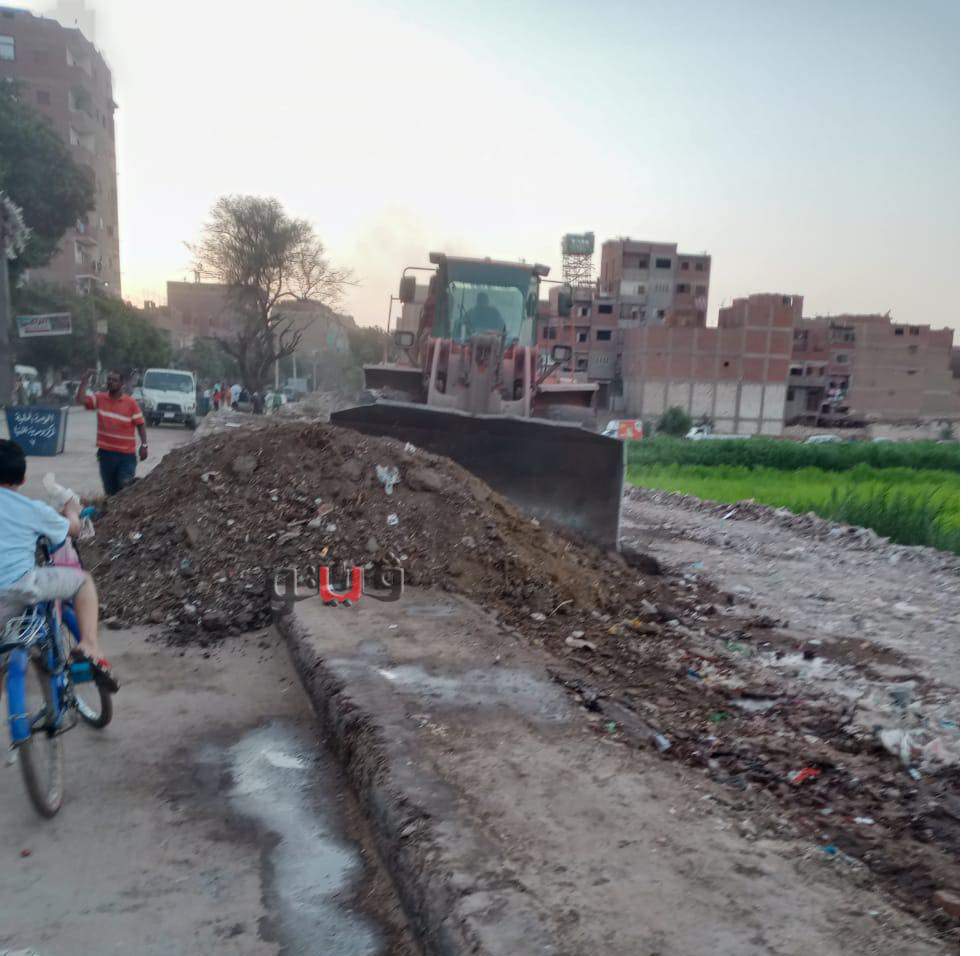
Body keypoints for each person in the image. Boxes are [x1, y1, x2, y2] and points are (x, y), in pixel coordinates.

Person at [0, 440, 118, 691]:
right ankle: (89, 645)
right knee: (83, 582)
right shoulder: (32, 509)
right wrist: (71, 510)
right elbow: (73, 529)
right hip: (20, 585)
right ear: (23, 479)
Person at [76, 369, 148, 497]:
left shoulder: (131, 403)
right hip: (106, 455)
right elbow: (81, 400)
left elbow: (140, 424)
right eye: (109, 379)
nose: (110, 382)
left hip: (126, 456)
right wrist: (84, 380)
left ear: (121, 384)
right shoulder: (100, 398)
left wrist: (144, 445)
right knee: (110, 491)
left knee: (124, 485)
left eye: (114, 380)